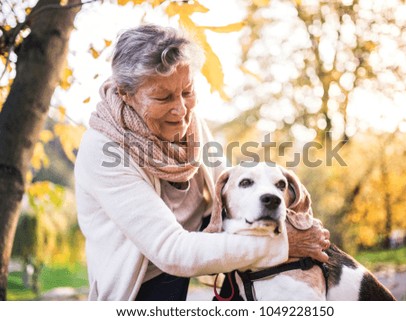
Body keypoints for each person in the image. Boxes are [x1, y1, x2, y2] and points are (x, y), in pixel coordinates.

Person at [74, 24, 330, 301]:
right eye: (163, 97)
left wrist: (290, 226)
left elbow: (231, 190)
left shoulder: (188, 123)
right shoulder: (103, 150)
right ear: (126, 94)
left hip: (200, 241)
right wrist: (284, 243)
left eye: (187, 91)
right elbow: (172, 250)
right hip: (146, 280)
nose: (181, 111)